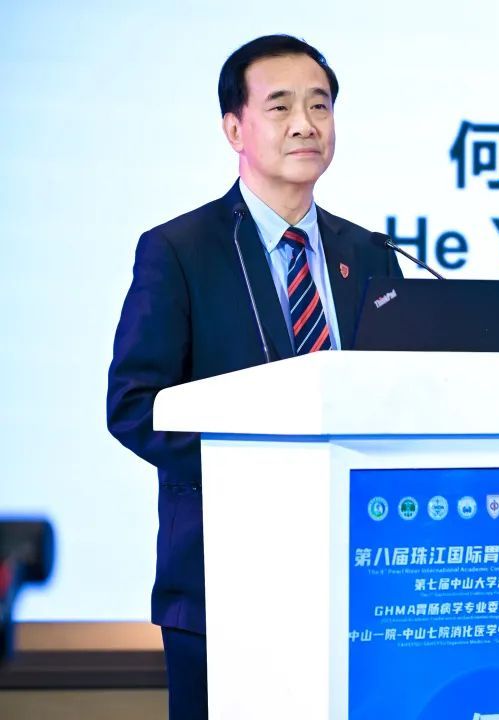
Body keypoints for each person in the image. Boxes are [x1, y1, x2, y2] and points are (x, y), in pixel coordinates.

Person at [106, 35, 401, 719]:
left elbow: (393, 396)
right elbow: (134, 404)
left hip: (359, 580)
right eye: (280, 106)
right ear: (234, 129)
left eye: (320, 106)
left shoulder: (370, 254)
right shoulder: (179, 250)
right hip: (225, 581)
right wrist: (261, 468)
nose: (305, 124)